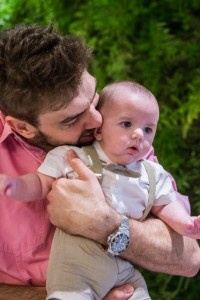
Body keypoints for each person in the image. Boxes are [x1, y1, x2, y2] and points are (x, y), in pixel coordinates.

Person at [0, 24, 199, 300]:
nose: (96, 121)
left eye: (93, 99)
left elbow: (189, 258)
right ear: (23, 127)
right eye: (72, 119)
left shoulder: (122, 141)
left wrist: (107, 224)